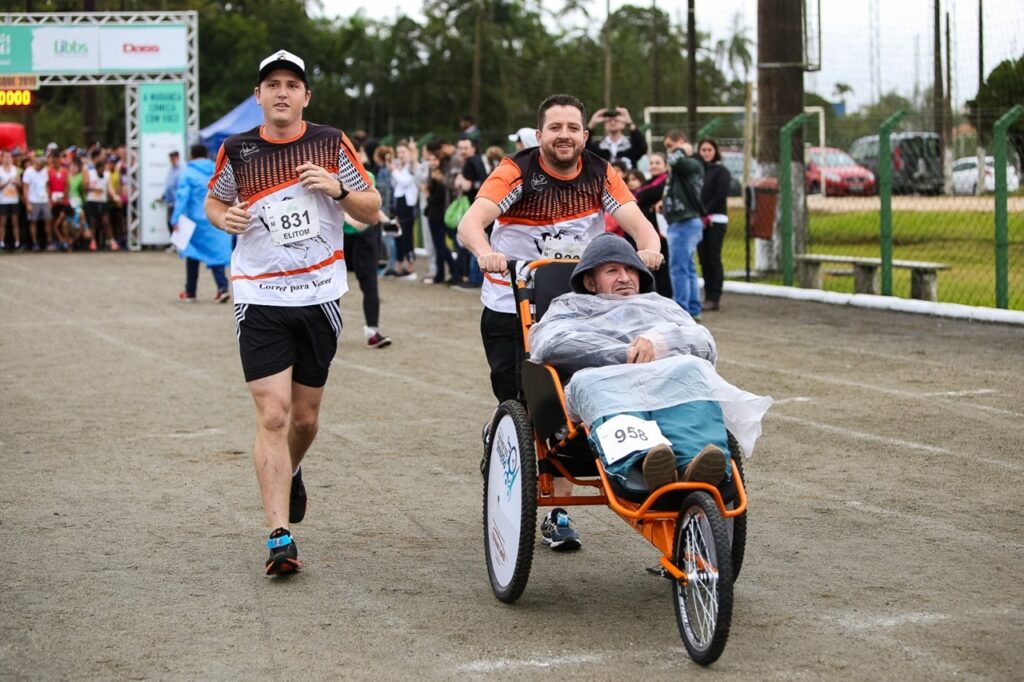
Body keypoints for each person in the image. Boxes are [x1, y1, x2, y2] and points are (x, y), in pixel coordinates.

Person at [457, 93, 664, 550]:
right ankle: (507, 446)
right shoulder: (517, 171)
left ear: (585, 136)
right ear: (540, 134)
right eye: (555, 128)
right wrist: (485, 252)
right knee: (521, 404)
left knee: (564, 407)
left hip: (574, 310)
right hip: (512, 306)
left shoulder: (598, 172)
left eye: (573, 128)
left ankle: (559, 513)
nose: (564, 135)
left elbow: (638, 223)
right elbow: (472, 223)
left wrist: (648, 246)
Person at [204, 49, 381, 575]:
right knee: (274, 413)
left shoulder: (330, 144)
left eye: (292, 84)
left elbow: (371, 210)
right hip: (259, 296)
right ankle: (279, 535)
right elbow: (214, 202)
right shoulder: (236, 150)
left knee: (304, 418)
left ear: (306, 96)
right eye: (272, 84)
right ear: (259, 95)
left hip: (319, 294)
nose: (282, 92)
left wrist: (340, 189)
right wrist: (224, 217)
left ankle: (292, 471)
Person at [529, 233, 771, 493]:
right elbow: (549, 344)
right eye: (612, 271)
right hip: (603, 385)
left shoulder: (661, 306)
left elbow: (704, 343)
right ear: (589, 282)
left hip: (661, 386)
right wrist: (626, 353)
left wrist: (660, 342)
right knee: (591, 381)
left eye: (631, 269)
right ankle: (641, 465)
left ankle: (696, 463)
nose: (624, 277)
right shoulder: (570, 307)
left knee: (692, 369)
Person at [172, 144, 232, 302]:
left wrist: (175, 218)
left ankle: (190, 291)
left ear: (191, 155)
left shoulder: (188, 173)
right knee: (216, 254)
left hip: (195, 222)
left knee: (192, 254)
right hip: (215, 216)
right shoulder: (218, 169)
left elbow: (182, 197)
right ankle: (222, 288)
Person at [662, 130, 705, 319]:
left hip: (684, 221)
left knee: (678, 268)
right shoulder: (685, 167)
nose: (669, 152)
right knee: (687, 267)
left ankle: (680, 310)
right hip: (684, 221)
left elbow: (674, 161)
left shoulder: (690, 163)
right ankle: (693, 309)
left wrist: (682, 150)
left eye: (671, 146)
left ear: (681, 142)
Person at [697, 138, 731, 312]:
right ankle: (707, 294)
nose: (706, 153)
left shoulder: (721, 171)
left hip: (715, 220)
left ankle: (714, 297)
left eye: (709, 149)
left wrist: (705, 212)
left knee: (713, 258)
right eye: (703, 150)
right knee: (703, 259)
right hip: (699, 221)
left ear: (715, 151)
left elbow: (720, 196)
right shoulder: (698, 171)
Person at [635, 152, 672, 298]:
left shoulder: (665, 181)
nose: (654, 166)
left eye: (658, 163)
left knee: (663, 266)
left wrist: (640, 195)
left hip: (662, 232)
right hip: (650, 231)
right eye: (651, 163)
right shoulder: (650, 181)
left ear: (665, 165)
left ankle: (666, 297)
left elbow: (644, 194)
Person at [21, 156, 51, 251]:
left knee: (48, 220)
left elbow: (46, 185)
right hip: (33, 200)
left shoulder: (44, 171)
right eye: (40, 166)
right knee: (33, 222)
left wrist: (48, 198)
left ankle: (48, 242)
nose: (41, 168)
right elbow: (25, 189)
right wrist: (28, 203)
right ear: (36, 164)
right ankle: (35, 243)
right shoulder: (28, 172)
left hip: (44, 199)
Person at [0, 150, 22, 251]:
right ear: (2, 158)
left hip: (14, 199)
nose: (7, 159)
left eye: (9, 157)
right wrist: (7, 181)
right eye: (5, 157)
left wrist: (17, 183)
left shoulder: (15, 170)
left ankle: (17, 242)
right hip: (3, 200)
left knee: (15, 222)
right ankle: (2, 242)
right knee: (2, 222)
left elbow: (21, 185)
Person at [164, 150, 183, 236]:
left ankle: (177, 243)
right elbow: (169, 185)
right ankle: (174, 242)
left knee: (176, 222)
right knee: (170, 222)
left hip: (177, 201)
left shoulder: (182, 170)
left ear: (177, 158)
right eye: (171, 158)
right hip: (170, 202)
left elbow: (181, 187)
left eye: (173, 158)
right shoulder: (171, 169)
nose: (172, 160)